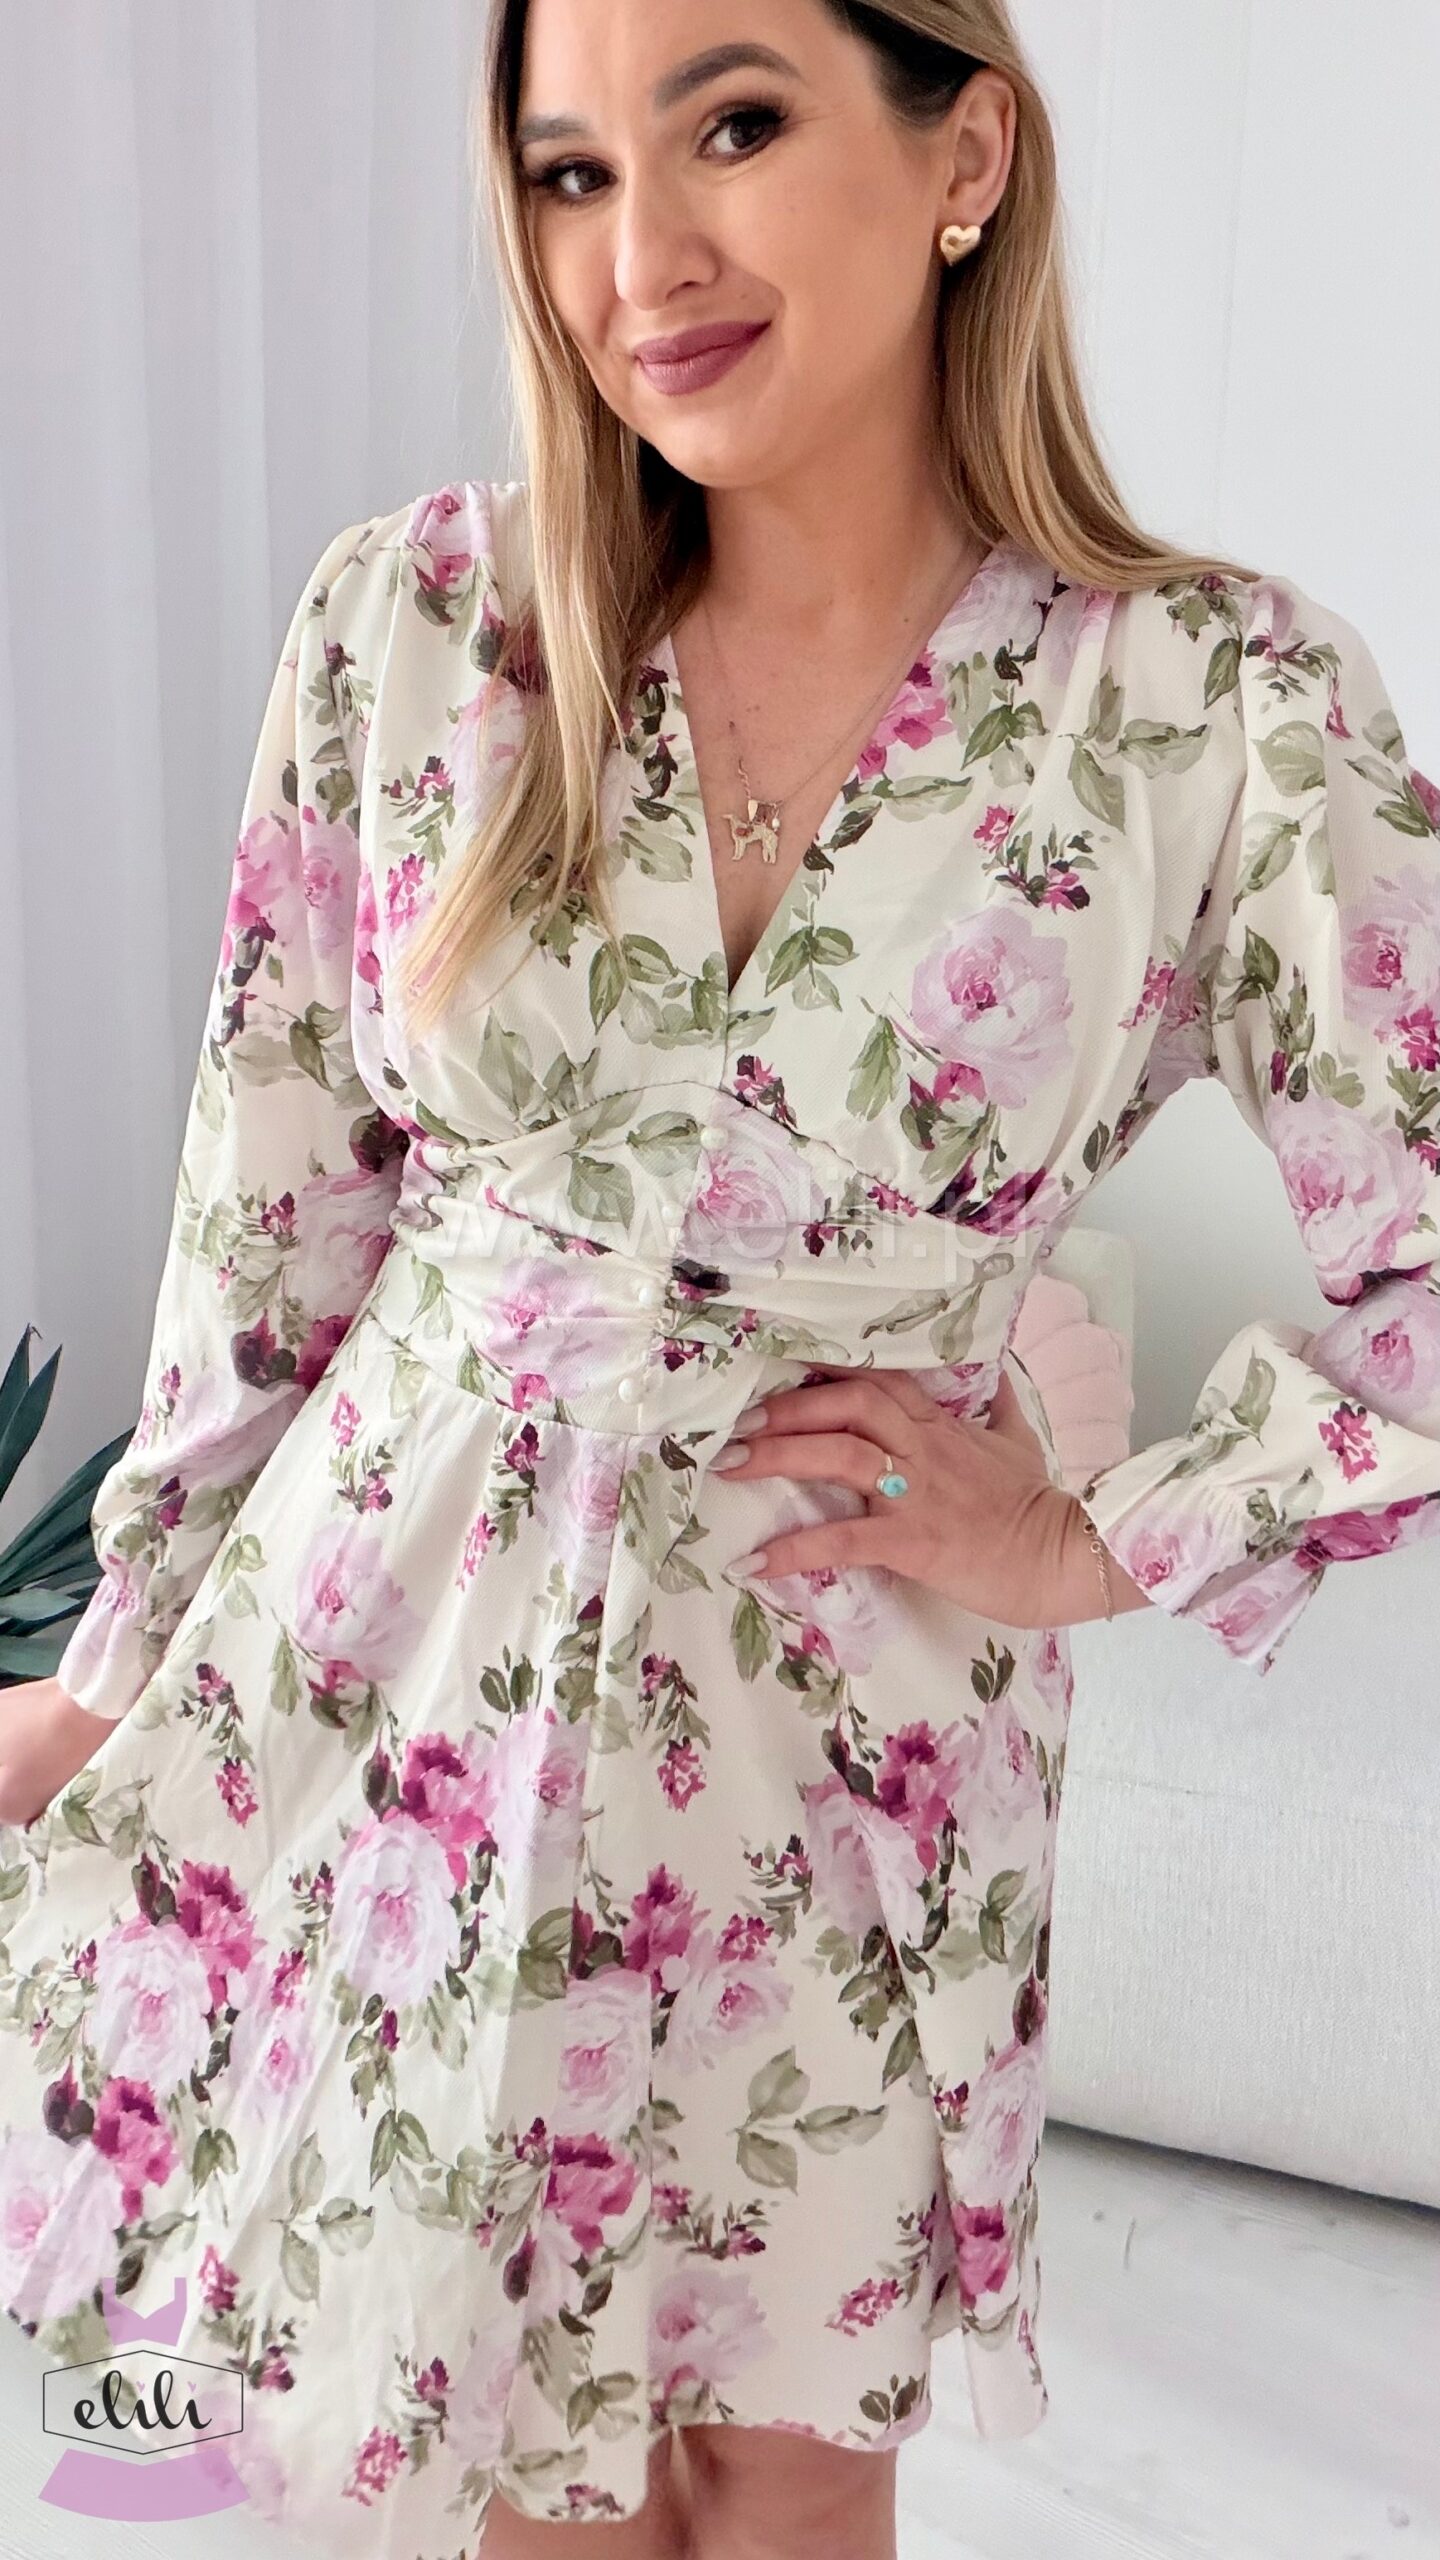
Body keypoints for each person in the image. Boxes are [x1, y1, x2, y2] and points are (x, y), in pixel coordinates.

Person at [1, 3, 1437, 2556]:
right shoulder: (418, 622)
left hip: (847, 1719)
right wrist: (120, 1684)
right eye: (567, 175)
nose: (639, 255)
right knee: (506, 2448)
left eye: (735, 126)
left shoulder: (1208, 702)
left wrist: (1095, 1529)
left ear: (965, 150)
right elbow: (268, 1232)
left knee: (779, 2463)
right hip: (399, 1675)